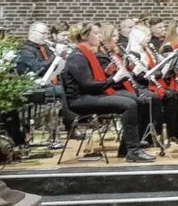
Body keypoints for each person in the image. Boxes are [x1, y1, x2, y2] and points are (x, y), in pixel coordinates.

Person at [61, 23, 154, 162]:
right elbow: (87, 85)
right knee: (129, 104)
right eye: (96, 33)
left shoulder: (87, 54)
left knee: (140, 100)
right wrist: (114, 79)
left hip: (91, 95)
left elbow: (92, 81)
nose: (100, 36)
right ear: (86, 36)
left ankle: (127, 148)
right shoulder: (77, 57)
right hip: (80, 100)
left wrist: (108, 73)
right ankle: (133, 150)